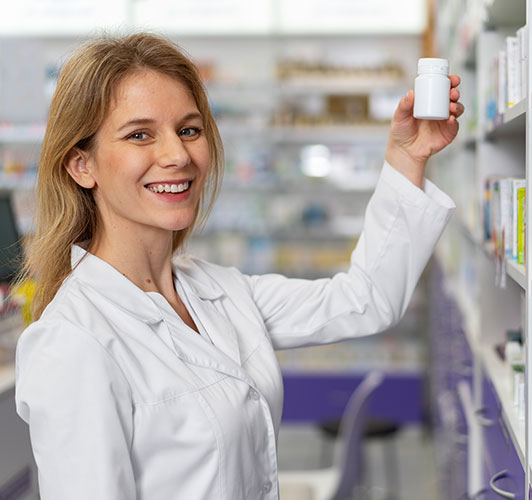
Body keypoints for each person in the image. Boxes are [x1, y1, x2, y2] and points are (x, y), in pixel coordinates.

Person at [14, 33, 462, 499]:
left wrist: (407, 157)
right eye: (139, 135)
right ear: (81, 164)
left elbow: (365, 301)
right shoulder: (73, 341)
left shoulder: (217, 290)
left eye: (189, 129)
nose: (178, 156)